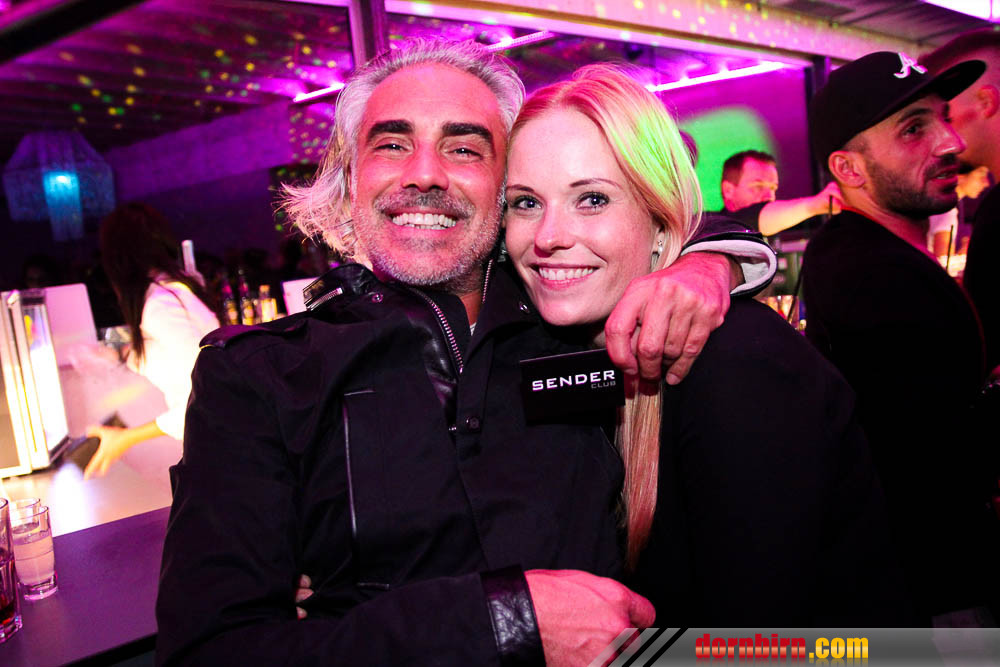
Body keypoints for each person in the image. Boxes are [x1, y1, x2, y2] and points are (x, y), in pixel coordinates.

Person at [155, 39, 776, 666]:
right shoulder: (258, 378)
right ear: (349, 179)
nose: (424, 174)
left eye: (463, 148)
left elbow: (649, 219)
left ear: (507, 187)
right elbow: (209, 653)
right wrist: (504, 622)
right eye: (392, 144)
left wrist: (711, 262)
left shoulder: (578, 326)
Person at [503, 63, 907, 627]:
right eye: (525, 203)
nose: (548, 237)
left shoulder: (738, 367)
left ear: (660, 221)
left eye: (592, 199)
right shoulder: (547, 356)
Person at [802, 51, 997, 624]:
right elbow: (932, 459)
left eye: (944, 118)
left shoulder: (880, 251)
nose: (950, 142)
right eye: (914, 129)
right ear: (850, 169)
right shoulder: (863, 270)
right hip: (935, 591)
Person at [85, 203, 220, 478]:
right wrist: (119, 354)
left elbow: (206, 398)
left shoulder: (160, 304)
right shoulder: (170, 292)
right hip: (215, 446)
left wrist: (126, 438)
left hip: (220, 449)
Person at [921, 30, 1000, 376]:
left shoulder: (997, 213)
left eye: (947, 117)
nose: (943, 139)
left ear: (985, 103)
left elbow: (983, 353)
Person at [720, 149, 845, 236]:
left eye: (773, 188)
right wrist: (815, 204)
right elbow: (748, 218)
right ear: (728, 190)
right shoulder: (713, 228)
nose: (769, 196)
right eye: (758, 186)